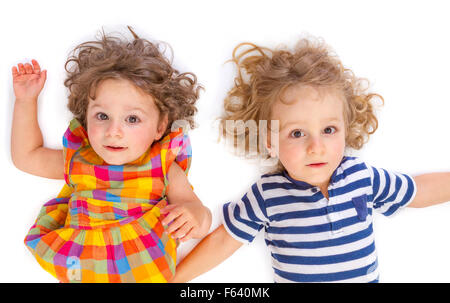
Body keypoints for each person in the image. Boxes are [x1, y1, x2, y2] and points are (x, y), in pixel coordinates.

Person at [171, 38, 450, 283]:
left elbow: (417, 190)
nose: (316, 147)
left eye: (329, 130)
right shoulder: (268, 194)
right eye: (297, 133)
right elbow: (224, 240)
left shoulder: (362, 177)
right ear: (270, 142)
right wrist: (176, 279)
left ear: (345, 128)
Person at [11, 27, 211, 283]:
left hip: (145, 270)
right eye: (102, 116)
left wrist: (195, 215)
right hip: (83, 268)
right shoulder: (80, 160)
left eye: (132, 119)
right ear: (86, 117)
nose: (114, 131)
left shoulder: (161, 165)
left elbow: (199, 213)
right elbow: (26, 157)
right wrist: (26, 102)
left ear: (160, 127)